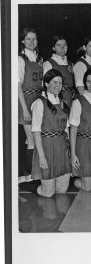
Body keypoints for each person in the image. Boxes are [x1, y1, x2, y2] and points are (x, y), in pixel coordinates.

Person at [31, 69, 71, 197]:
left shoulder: (63, 103)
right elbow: (36, 131)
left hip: (61, 145)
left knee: (62, 189)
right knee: (48, 193)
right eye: (54, 82)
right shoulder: (39, 103)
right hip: (46, 145)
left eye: (60, 83)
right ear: (47, 84)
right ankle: (31, 186)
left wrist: (68, 150)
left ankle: (48, 184)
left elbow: (66, 129)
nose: (57, 86)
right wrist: (41, 156)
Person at [18, 27, 43, 182]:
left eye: (34, 39)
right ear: (22, 41)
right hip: (26, 102)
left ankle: (30, 175)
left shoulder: (38, 59)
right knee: (32, 139)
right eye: (28, 39)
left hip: (37, 101)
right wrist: (24, 109)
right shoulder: (20, 59)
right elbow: (18, 86)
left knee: (33, 139)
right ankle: (28, 176)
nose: (32, 42)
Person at [43, 35, 75, 107]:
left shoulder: (71, 64)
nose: (62, 47)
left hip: (70, 99)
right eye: (59, 45)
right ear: (53, 48)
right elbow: (46, 87)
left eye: (65, 45)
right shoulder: (49, 64)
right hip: (56, 100)